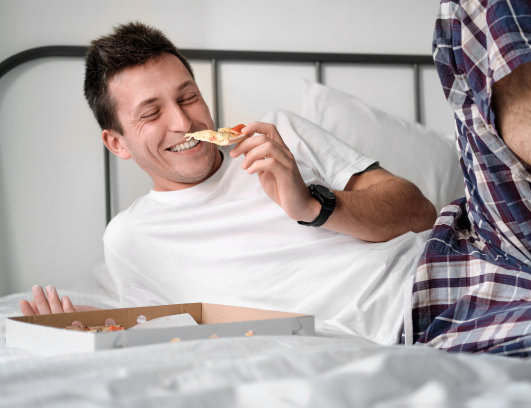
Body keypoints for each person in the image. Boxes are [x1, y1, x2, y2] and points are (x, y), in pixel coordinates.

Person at [20, 22, 437, 344]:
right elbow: (155, 333)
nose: (184, 123)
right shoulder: (129, 241)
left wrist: (311, 205)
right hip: (394, 337)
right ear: (116, 143)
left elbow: (420, 213)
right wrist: (76, 328)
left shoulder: (276, 135)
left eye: (187, 97)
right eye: (151, 113)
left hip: (434, 276)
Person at [408, 0, 531, 363]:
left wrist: (316, 204)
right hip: (447, 311)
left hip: (487, 252)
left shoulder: (288, 137)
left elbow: (412, 210)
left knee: (469, 7)